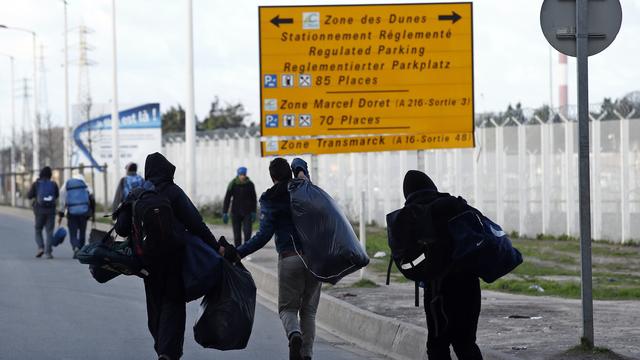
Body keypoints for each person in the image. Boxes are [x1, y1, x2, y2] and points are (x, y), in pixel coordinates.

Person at [114, 152, 219, 360]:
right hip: (175, 259)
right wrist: (216, 248)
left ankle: (161, 347)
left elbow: (122, 228)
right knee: (174, 304)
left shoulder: (136, 193)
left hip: (147, 261)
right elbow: (196, 224)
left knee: (155, 305)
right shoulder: (174, 192)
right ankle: (167, 352)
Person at [226, 158, 320, 360]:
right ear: (291, 173)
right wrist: (299, 170)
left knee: (288, 309)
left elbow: (263, 236)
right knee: (309, 311)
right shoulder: (305, 190)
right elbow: (300, 162)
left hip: (289, 258)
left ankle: (294, 334)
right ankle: (307, 354)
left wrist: (238, 252)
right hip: (314, 260)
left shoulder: (270, 198)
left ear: (272, 177)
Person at [401, 170, 482, 360]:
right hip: (470, 285)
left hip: (439, 290)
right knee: (466, 342)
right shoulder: (456, 204)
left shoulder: (415, 214)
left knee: (438, 345)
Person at [59, 166, 95, 256]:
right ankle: (81, 248)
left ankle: (75, 247)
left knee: (73, 231)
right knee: (82, 231)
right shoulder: (86, 185)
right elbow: (91, 198)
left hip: (72, 212)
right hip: (84, 212)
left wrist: (62, 211)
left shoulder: (67, 183)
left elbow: (62, 196)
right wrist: (92, 213)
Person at [27, 166, 59, 259]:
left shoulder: (36, 183)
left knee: (38, 230)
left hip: (39, 210)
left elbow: (29, 195)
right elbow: (56, 196)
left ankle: (40, 247)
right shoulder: (53, 184)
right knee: (49, 231)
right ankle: (48, 252)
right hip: (51, 211)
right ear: (50, 174)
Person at [222, 166, 257, 247]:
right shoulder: (233, 184)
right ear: (238, 175)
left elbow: (253, 199)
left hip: (247, 212)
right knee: (237, 235)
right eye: (241, 174)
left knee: (247, 232)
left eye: (244, 174)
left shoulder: (250, 184)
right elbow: (227, 198)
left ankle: (246, 250)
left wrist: (254, 212)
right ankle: (238, 251)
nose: (242, 176)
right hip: (235, 212)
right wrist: (225, 212)